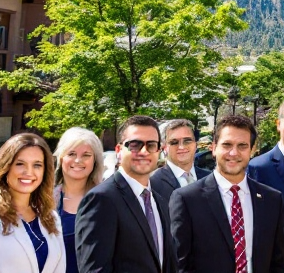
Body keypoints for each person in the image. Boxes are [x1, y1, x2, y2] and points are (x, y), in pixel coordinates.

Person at [169, 114, 284, 273]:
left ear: (252, 150)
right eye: (227, 145)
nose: (234, 153)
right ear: (214, 148)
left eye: (242, 146)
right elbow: (180, 265)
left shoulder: (272, 200)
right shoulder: (187, 200)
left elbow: (278, 262)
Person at [76, 114, 178, 273]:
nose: (144, 151)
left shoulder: (160, 201)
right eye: (135, 145)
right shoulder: (102, 200)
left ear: (159, 150)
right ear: (119, 150)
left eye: (151, 145)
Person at [0, 132, 65, 273]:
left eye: (37, 165)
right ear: (6, 167)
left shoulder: (51, 217)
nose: (28, 172)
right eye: (20, 164)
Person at [54, 127, 105, 273]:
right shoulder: (43, 200)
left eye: (86, 155)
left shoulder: (108, 199)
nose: (78, 160)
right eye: (71, 153)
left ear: (95, 160)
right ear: (61, 157)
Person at [150, 119, 210, 199]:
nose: (181, 147)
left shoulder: (210, 178)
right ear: (164, 147)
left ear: (195, 144)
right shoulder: (153, 183)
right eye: (174, 142)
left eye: (187, 141)